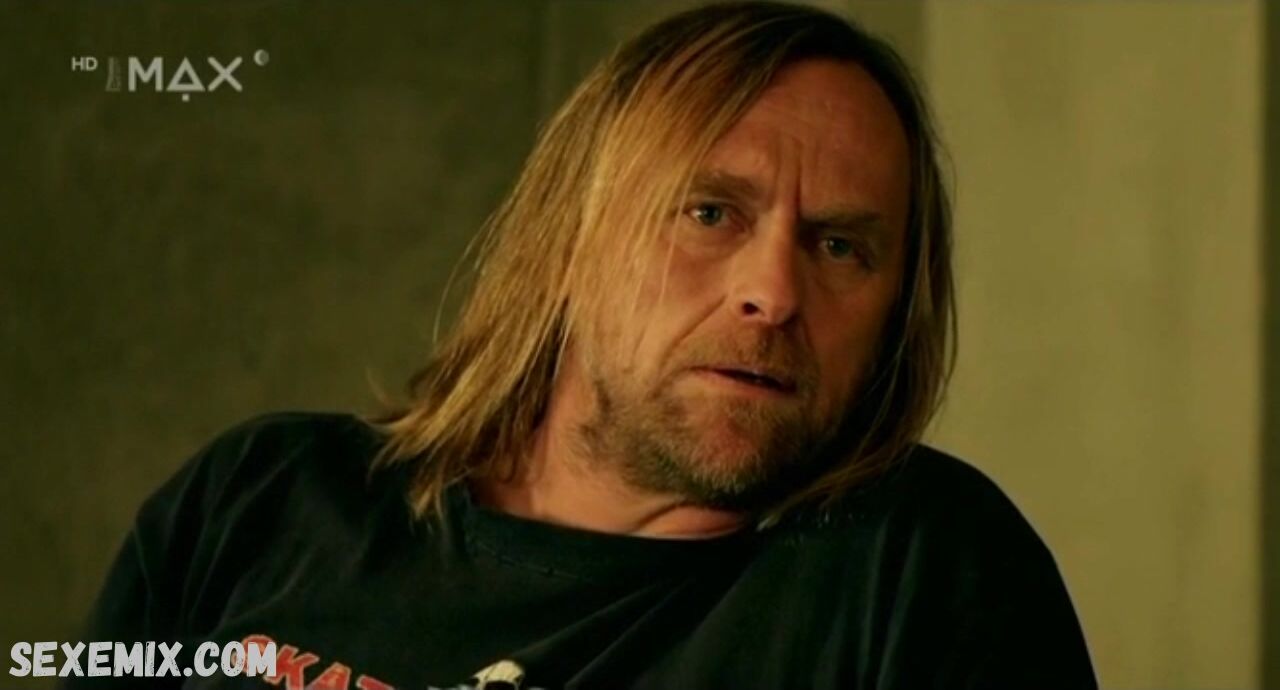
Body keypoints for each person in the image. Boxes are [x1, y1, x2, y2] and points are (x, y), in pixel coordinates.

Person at [71, 2, 1096, 688]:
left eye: (839, 246)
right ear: (570, 235)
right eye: (708, 213)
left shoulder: (921, 572)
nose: (773, 293)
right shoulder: (256, 502)